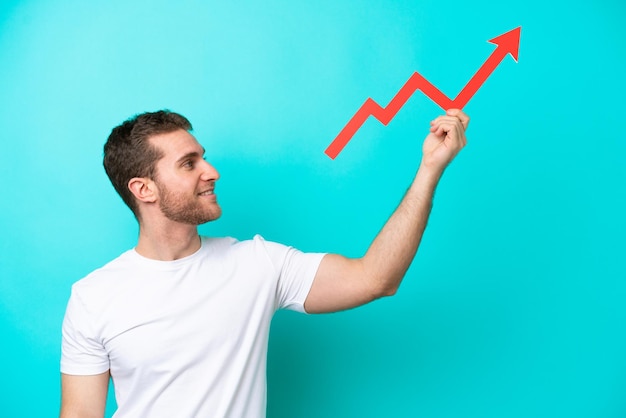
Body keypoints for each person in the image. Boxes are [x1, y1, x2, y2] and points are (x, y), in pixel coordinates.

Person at [60, 108, 469, 417]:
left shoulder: (257, 263)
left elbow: (376, 278)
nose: (212, 172)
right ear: (144, 189)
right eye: (189, 164)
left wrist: (429, 169)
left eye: (203, 157)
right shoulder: (93, 296)